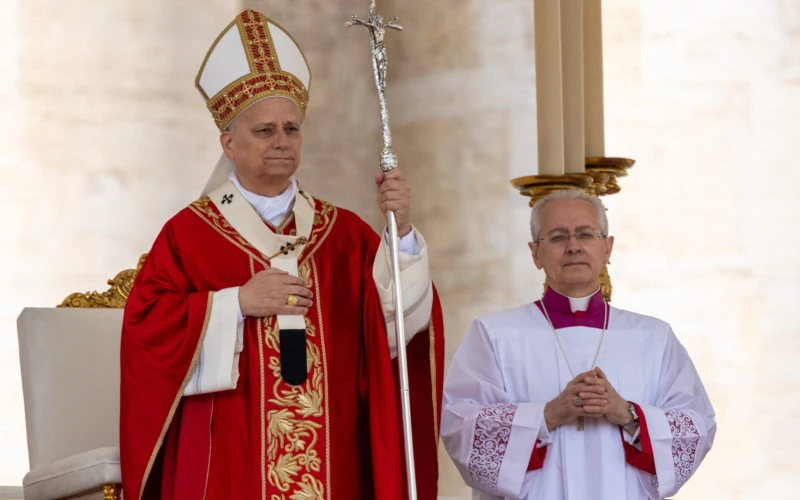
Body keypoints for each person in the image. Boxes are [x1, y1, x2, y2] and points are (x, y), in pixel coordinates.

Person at [120, 10, 444, 500]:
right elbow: (146, 328)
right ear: (228, 142)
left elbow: (397, 328)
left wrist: (399, 234)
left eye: (292, 129)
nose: (282, 142)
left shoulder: (344, 235)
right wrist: (234, 303)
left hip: (334, 460)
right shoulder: (189, 235)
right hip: (231, 457)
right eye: (264, 131)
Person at [441, 189, 715, 499]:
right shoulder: (494, 334)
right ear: (535, 253)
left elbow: (697, 427)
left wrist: (628, 414)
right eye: (558, 237)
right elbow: (460, 429)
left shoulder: (653, 337)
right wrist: (548, 416)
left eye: (585, 234)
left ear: (607, 248)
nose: (573, 247)